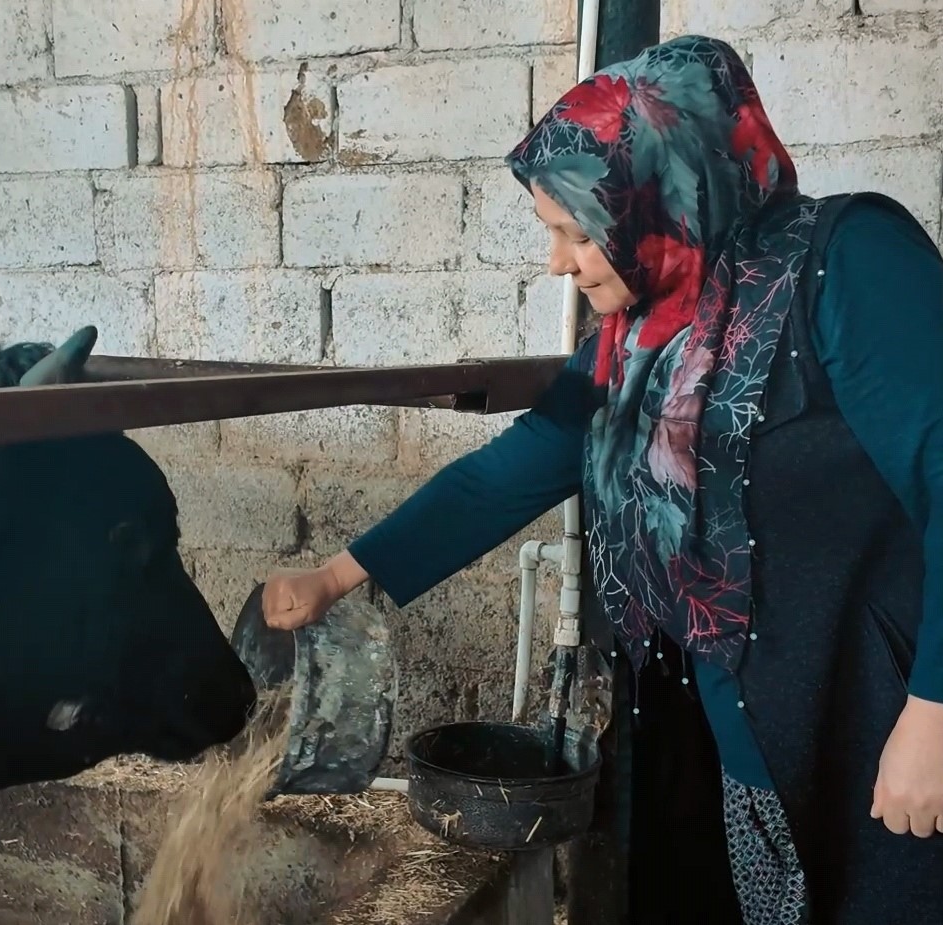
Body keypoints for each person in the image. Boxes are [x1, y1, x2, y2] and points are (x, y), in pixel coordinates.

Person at [260, 34, 943, 925]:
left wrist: (933, 712)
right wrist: (338, 576)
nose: (558, 263)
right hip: (752, 752)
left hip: (878, 726)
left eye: (576, 232)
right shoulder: (638, 340)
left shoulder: (844, 265)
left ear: (660, 196)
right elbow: (507, 471)